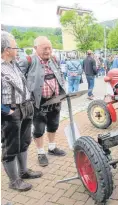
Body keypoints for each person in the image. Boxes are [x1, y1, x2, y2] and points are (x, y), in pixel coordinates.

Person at [1, 31, 42, 191]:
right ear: (6, 49)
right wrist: (7, 111)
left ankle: (23, 172)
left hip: (25, 108)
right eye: (15, 46)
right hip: (11, 112)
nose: (17, 49)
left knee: (24, 142)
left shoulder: (14, 63)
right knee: (10, 147)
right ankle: (14, 181)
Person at [19, 36, 66, 167]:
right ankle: (40, 153)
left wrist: (62, 91)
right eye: (44, 48)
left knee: (53, 125)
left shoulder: (54, 59)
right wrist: (27, 99)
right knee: (39, 129)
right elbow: (19, 82)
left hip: (55, 101)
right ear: (35, 48)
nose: (48, 51)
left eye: (50, 48)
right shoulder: (28, 61)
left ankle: (51, 148)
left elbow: (60, 75)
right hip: (38, 103)